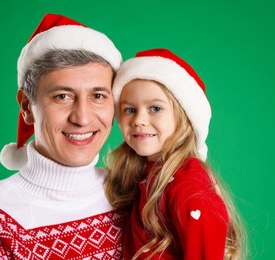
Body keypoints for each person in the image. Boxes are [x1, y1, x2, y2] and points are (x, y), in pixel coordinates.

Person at [0, 14, 126, 259]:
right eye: (62, 96)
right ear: (26, 107)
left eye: (98, 96)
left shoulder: (137, 196)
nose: (82, 118)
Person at [104, 48, 245, 259]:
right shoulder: (141, 173)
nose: (139, 120)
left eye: (155, 108)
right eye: (130, 110)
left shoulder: (188, 184)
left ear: (184, 116)